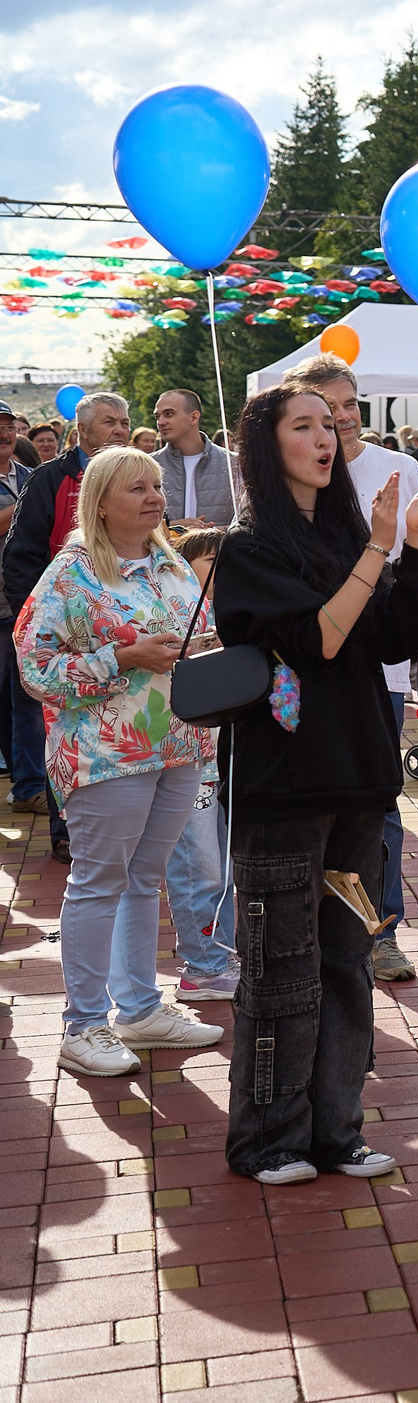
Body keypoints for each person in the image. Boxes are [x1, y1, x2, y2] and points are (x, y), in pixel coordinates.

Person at [214, 383, 418, 1182]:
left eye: (333, 423)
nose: (328, 437)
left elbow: (401, 630)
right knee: (280, 968)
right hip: (285, 790)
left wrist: (413, 544)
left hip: (358, 782)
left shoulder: (352, 531)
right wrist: (377, 553)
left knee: (346, 962)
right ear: (265, 442)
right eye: (305, 426)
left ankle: (336, 1130)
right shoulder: (249, 547)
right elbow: (318, 639)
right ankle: (268, 1139)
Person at [14, 446, 227, 1077]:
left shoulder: (172, 564)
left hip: (180, 743)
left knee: (145, 878)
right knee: (99, 882)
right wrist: (122, 660)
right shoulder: (72, 574)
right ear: (101, 502)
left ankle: (138, 1009)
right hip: (106, 754)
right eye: (137, 488)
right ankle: (82, 1026)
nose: (154, 496)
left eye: (157, 485)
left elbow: (192, 636)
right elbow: (35, 672)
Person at [285, 355, 418, 987]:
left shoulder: (399, 469)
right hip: (309, 667)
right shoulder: (287, 482)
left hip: (384, 669)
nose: (344, 420)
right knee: (315, 802)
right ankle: (311, 927)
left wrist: (417, 567)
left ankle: (379, 930)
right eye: (328, 412)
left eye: (350, 405)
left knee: (380, 803)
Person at [2, 391, 134, 862]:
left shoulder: (139, 477)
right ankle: (66, 830)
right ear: (81, 433)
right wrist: (39, 623)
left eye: (123, 421)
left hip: (128, 636)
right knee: (67, 730)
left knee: (119, 730)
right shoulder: (49, 480)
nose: (119, 429)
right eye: (107, 422)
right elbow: (20, 559)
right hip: (66, 639)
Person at [166, 527, 238, 1003]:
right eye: (209, 559)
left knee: (226, 867)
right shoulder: (175, 608)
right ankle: (200, 965)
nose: (220, 568)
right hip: (186, 756)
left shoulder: (235, 610)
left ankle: (220, 953)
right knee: (199, 865)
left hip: (225, 757)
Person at [0, 403, 46, 819]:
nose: (4, 433)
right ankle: (23, 780)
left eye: (9, 426)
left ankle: (29, 783)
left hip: (23, 603)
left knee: (26, 696)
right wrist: (30, 502)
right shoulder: (35, 485)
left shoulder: (29, 477)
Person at [153, 389, 238, 530]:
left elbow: (250, 523)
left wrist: (209, 535)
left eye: (169, 414)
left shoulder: (234, 464)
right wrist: (172, 527)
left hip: (220, 551)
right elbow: (130, 526)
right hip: (163, 551)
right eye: (157, 417)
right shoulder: (147, 466)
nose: (161, 422)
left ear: (194, 417)